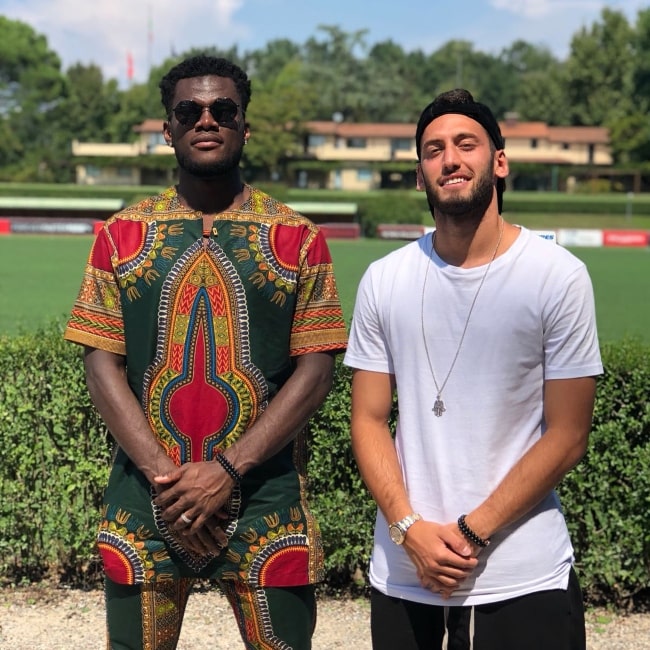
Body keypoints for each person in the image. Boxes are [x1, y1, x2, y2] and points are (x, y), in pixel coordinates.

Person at [64, 54, 347, 650]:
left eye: (224, 110)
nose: (206, 120)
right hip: (147, 500)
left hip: (265, 500)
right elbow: (100, 360)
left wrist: (227, 470)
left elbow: (317, 368)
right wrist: (167, 478)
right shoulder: (122, 236)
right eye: (189, 111)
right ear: (168, 129)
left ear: (245, 126)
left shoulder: (296, 237)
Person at [343, 89, 602, 650]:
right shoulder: (384, 279)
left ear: (499, 162)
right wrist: (409, 530)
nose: (451, 159)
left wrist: (469, 532)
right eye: (433, 150)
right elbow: (367, 420)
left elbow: (568, 433)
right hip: (405, 573)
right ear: (419, 176)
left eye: (467, 144)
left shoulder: (557, 276)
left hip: (522, 575)